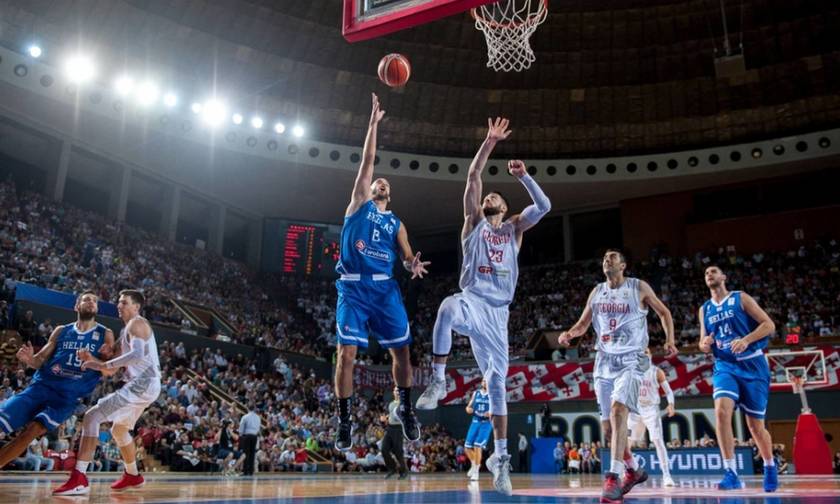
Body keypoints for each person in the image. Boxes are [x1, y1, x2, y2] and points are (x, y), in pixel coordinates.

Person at [415, 118, 551, 496]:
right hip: (472, 302)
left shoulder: (514, 230)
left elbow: (545, 204)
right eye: (487, 195)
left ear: (505, 207)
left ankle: (501, 460)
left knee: (495, 383)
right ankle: (439, 379)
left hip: (498, 315)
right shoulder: (473, 223)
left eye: (496, 196)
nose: (489, 195)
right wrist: (489, 142)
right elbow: (473, 174)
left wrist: (524, 176)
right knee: (445, 308)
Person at [333, 93, 429, 451]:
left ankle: (405, 408)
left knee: (402, 354)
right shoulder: (358, 204)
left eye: (386, 184)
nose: (381, 183)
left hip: (385, 290)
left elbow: (405, 258)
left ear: (390, 193)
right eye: (377, 182)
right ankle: (344, 419)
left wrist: (412, 264)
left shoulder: (396, 223)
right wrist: (373, 124)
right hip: (354, 289)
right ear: (370, 190)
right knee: (346, 355)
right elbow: (369, 159)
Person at [559, 250, 677, 503]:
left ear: (623, 265)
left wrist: (669, 340)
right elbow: (582, 324)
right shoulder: (597, 291)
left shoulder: (638, 286)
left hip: (633, 358)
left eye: (612, 257)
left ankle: (612, 476)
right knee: (609, 430)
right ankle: (633, 470)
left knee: (618, 411)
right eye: (603, 257)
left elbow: (664, 313)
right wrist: (569, 334)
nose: (606, 260)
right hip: (604, 360)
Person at [54, 289, 162, 495]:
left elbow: (137, 354)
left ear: (136, 307)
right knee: (119, 430)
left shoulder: (137, 323)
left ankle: (79, 478)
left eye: (124, 303)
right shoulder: (125, 333)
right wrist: (94, 360)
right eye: (119, 302)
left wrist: (99, 363)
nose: (119, 306)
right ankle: (133, 474)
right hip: (144, 386)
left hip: (143, 384)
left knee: (92, 417)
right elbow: (110, 370)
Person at [0, 291, 114, 471]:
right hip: (40, 387)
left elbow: (109, 370)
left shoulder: (105, 334)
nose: (91, 302)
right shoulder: (62, 330)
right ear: (77, 306)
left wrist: (92, 358)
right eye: (86, 299)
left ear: (97, 308)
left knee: (30, 433)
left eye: (94, 301)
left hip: (65, 398)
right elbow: (39, 360)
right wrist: (30, 359)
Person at [699, 265, 778, 492]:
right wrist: (704, 345)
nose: (709, 275)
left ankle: (770, 465)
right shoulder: (704, 308)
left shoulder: (740, 298)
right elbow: (703, 341)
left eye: (713, 271)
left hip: (753, 364)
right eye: (706, 273)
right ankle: (731, 472)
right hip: (725, 366)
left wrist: (746, 339)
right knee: (722, 412)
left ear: (723, 277)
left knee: (755, 427)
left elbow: (769, 325)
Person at [627, 348, 676, 487]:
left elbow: (668, 391)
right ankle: (629, 471)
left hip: (651, 409)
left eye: (646, 352)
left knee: (658, 441)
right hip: (635, 409)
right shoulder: (632, 371)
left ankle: (666, 475)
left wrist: (671, 404)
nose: (644, 355)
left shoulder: (656, 372)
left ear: (650, 355)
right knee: (626, 443)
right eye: (641, 353)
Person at [464, 380, 492, 481]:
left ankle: (476, 472)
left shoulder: (493, 394)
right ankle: (474, 464)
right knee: (467, 447)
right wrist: (468, 409)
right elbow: (468, 407)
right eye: (484, 381)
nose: (485, 382)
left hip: (486, 423)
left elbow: (498, 409)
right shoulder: (476, 393)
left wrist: (491, 412)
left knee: (477, 446)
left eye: (487, 381)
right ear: (482, 382)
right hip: (475, 420)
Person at [379, 387, 408, 479]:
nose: (397, 392)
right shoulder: (391, 404)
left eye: (399, 390)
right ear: (393, 392)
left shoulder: (404, 403)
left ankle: (403, 471)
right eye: (396, 390)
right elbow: (391, 414)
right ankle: (392, 469)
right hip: (390, 428)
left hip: (399, 428)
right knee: (384, 449)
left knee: (398, 451)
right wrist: (385, 418)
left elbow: (406, 415)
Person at [239, 403, 261, 476]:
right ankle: (251, 471)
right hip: (254, 436)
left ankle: (245, 471)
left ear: (247, 408)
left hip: (247, 436)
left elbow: (241, 428)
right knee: (252, 454)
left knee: (245, 453)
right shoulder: (258, 417)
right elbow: (258, 428)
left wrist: (241, 435)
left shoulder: (245, 417)